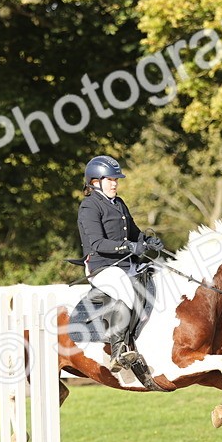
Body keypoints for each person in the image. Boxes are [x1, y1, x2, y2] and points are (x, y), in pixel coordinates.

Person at [76, 155, 163, 371]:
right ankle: (118, 351)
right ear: (95, 182)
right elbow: (97, 243)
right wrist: (129, 247)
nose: (115, 183)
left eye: (116, 180)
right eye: (111, 180)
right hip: (102, 265)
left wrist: (146, 241)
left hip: (126, 264)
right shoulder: (89, 206)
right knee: (125, 289)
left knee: (158, 278)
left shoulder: (118, 203)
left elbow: (133, 233)